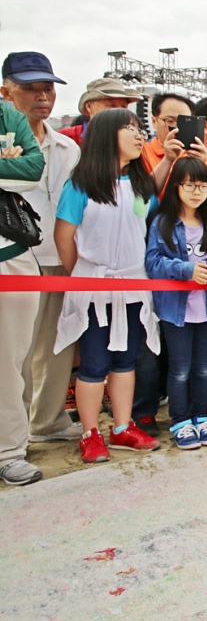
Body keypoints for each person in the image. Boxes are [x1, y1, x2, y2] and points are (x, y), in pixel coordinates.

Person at [52, 109, 162, 463]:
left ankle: (121, 427)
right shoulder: (81, 184)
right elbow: (64, 235)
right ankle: (89, 432)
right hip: (94, 287)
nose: (138, 134)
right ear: (104, 135)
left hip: (133, 286)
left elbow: (143, 222)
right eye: (129, 128)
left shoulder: (142, 184)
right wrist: (84, 276)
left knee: (126, 359)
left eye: (138, 127)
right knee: (94, 364)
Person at [1, 52, 82, 446]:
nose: (41, 96)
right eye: (30, 88)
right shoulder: (5, 142)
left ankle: (47, 421)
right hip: (13, 260)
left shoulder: (68, 149)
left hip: (57, 256)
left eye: (47, 87)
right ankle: (12, 435)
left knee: (55, 344)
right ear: (6, 91)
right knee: (13, 352)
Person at [145, 157, 207, 450]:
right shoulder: (163, 222)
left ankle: (201, 416)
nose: (197, 192)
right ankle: (180, 420)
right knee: (179, 368)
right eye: (190, 185)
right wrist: (185, 269)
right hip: (176, 310)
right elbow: (153, 262)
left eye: (203, 186)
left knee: (204, 368)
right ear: (176, 187)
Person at [0, 76, 46, 485]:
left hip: (11, 259)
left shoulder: (8, 114)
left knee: (9, 363)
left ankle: (9, 451)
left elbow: (32, 168)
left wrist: (15, 162)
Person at [141, 93, 207, 201]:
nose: (177, 127)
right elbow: (141, 197)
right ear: (154, 121)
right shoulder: (140, 154)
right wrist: (167, 160)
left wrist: (202, 166)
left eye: (184, 122)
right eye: (170, 121)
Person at [58, 78, 142, 146]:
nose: (119, 112)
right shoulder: (64, 139)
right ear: (89, 106)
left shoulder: (133, 141)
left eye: (124, 107)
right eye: (112, 105)